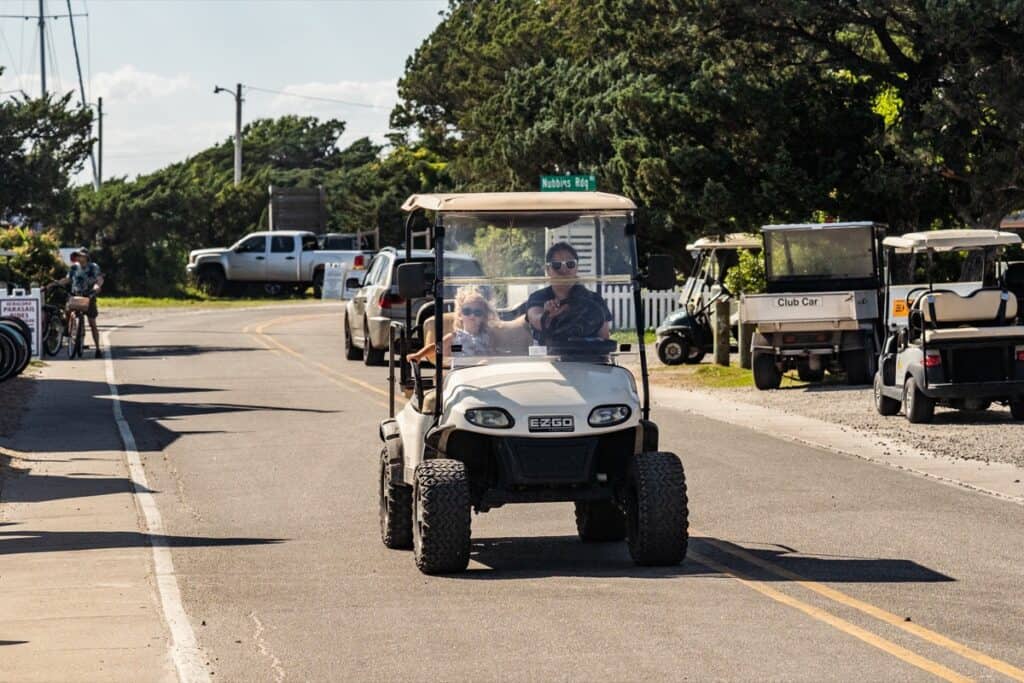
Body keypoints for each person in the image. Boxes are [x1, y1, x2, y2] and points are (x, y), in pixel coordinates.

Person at [526, 242, 612, 343]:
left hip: (588, 356)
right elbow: (536, 319)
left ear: (576, 268)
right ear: (548, 270)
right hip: (550, 355)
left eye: (570, 264)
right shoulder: (538, 297)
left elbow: (604, 338)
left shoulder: (594, 299)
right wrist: (547, 316)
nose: (564, 270)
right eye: (556, 265)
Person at [407, 286, 494, 364]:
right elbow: (435, 348)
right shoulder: (454, 337)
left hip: (483, 373)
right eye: (467, 311)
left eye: (477, 312)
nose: (472, 315)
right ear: (460, 315)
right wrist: (418, 355)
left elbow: (494, 353)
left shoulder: (486, 336)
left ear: (483, 317)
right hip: (461, 372)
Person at [50, 248, 104, 358]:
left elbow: (99, 279)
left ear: (86, 257)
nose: (78, 258)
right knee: (68, 309)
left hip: (89, 296)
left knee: (92, 322)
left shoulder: (93, 267)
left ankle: (98, 348)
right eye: (77, 255)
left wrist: (97, 287)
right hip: (75, 295)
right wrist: (55, 284)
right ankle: (68, 329)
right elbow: (68, 279)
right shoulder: (74, 267)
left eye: (81, 255)